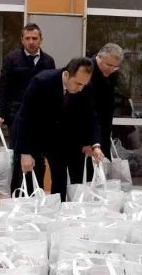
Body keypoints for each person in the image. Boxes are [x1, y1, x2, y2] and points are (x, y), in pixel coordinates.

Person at [13, 57, 94, 201]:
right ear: (67, 74)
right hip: (34, 134)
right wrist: (25, 152)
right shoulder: (42, 81)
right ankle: (31, 213)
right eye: (78, 83)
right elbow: (24, 117)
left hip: (59, 139)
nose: (80, 88)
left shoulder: (84, 87)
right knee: (31, 177)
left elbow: (87, 115)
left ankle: (58, 212)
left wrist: (88, 142)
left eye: (84, 84)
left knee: (60, 178)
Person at [0, 23, 55, 195]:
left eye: (34, 38)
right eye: (27, 38)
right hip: (17, 117)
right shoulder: (12, 59)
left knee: (38, 158)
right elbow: (2, 88)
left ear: (41, 40)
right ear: (22, 39)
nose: (31, 42)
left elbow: (52, 90)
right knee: (19, 156)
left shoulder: (48, 61)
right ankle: (18, 196)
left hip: (40, 119)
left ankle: (37, 194)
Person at [87, 43, 124, 164]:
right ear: (99, 57)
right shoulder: (86, 69)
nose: (111, 69)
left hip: (104, 129)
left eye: (115, 67)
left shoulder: (112, 73)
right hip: (87, 132)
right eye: (109, 65)